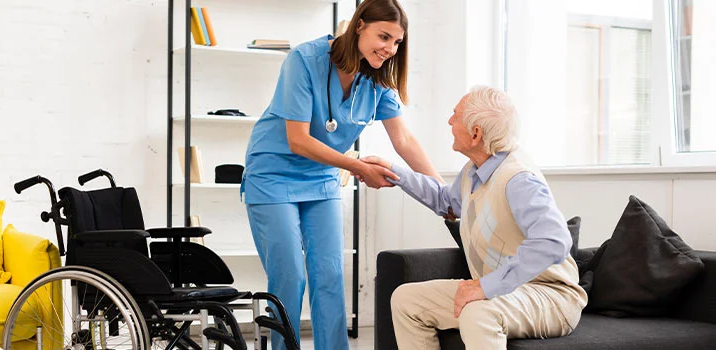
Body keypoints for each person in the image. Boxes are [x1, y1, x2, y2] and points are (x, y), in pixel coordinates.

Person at [241, 0, 443, 348]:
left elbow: (404, 140)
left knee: (330, 276)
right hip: (273, 175)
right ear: (359, 25)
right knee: (290, 275)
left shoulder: (376, 80)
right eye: (384, 36)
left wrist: (441, 193)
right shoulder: (305, 60)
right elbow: (298, 140)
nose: (390, 49)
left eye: (397, 42)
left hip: (321, 179)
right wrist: (358, 167)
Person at [361, 86, 588, 349]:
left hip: (550, 296)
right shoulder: (475, 170)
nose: (449, 121)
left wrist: (486, 287)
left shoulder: (518, 179)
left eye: (455, 115)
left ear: (476, 133)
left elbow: (555, 241)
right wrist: (393, 172)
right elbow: (446, 202)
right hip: (505, 292)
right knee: (407, 300)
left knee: (479, 311)